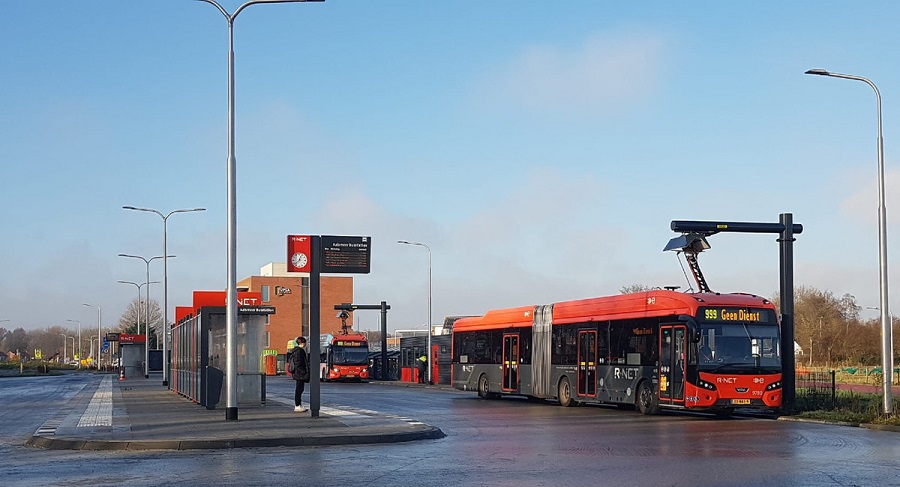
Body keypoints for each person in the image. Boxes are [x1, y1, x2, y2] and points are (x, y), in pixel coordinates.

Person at [289, 336, 310, 413]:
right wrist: (303, 372)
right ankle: (297, 405)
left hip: (298, 373)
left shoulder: (295, 351)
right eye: (304, 343)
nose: (305, 344)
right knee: (299, 389)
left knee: (299, 389)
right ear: (301, 343)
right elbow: (299, 363)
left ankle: (298, 405)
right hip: (299, 374)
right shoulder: (299, 351)